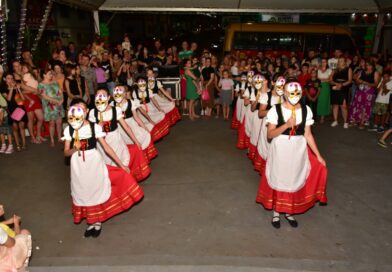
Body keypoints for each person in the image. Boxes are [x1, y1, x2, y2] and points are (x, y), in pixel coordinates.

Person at [63, 99, 144, 237]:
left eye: (82, 109)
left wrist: (121, 164)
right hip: (77, 165)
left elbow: (106, 148)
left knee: (96, 189)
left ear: (86, 112)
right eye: (76, 108)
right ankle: (92, 221)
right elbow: (66, 152)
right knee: (84, 191)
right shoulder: (69, 129)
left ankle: (96, 221)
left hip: (93, 162)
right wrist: (75, 150)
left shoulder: (95, 127)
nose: (79, 111)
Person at [256, 82, 327, 228]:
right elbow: (270, 134)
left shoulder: (306, 110)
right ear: (285, 94)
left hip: (298, 149)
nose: (294, 96)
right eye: (291, 93)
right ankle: (276, 211)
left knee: (294, 177)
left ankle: (289, 211)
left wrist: (318, 155)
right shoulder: (275, 110)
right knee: (279, 177)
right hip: (280, 148)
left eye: (297, 93)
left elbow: (308, 134)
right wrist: (286, 125)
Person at [89, 88, 151, 182]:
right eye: (98, 96)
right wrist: (98, 127)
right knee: (107, 166)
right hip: (101, 143)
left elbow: (126, 127)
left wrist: (135, 140)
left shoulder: (115, 110)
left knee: (120, 162)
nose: (100, 98)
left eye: (103, 95)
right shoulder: (93, 113)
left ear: (109, 98)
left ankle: (125, 182)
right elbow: (91, 133)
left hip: (115, 140)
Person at [112, 86, 158, 161]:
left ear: (125, 94)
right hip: (119, 126)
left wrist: (144, 127)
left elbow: (136, 117)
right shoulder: (112, 104)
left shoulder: (131, 102)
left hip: (131, 124)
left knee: (142, 137)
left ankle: (142, 158)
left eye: (121, 92)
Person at [349, 60, 380, 129]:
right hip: (360, 90)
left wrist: (364, 82)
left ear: (373, 66)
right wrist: (357, 81)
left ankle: (362, 122)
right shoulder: (362, 71)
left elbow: (375, 84)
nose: (368, 67)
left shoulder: (375, 73)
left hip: (368, 92)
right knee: (356, 105)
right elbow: (356, 82)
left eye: (370, 65)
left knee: (365, 107)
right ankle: (354, 120)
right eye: (367, 65)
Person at [0, 205, 32, 271]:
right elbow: (14, 241)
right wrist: (16, 224)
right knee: (24, 233)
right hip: (4, 262)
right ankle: (21, 265)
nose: (1, 205)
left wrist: (7, 222)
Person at [38, 70, 65, 147]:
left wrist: (62, 99)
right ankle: (52, 139)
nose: (51, 75)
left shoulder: (55, 82)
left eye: (52, 74)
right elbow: (44, 96)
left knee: (59, 123)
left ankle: (59, 137)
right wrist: (56, 100)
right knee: (52, 123)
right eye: (49, 74)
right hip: (49, 106)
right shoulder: (41, 85)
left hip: (59, 104)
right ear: (44, 75)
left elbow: (60, 91)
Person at [20, 63, 46, 144]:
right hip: (28, 98)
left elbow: (35, 88)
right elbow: (23, 89)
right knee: (30, 119)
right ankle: (33, 137)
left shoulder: (32, 76)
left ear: (29, 68)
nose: (23, 69)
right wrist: (34, 90)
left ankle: (38, 135)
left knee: (41, 118)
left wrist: (35, 91)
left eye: (25, 67)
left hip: (35, 97)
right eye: (23, 68)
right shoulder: (24, 76)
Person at [2, 73, 27, 151]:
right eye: (8, 78)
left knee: (22, 126)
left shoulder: (17, 86)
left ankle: (24, 144)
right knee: (15, 128)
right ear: (5, 79)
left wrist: (18, 89)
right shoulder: (3, 88)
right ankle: (18, 145)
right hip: (12, 109)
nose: (11, 79)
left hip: (20, 108)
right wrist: (12, 88)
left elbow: (23, 99)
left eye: (12, 78)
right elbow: (8, 99)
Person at [330, 57, 352, 128]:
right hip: (335, 88)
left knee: (344, 106)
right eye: (339, 61)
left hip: (344, 88)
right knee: (335, 105)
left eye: (341, 61)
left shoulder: (348, 69)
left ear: (345, 62)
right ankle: (335, 120)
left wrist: (341, 85)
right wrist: (336, 84)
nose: (340, 62)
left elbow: (349, 80)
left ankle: (345, 122)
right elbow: (330, 79)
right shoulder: (335, 70)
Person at [317, 58, 332, 123]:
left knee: (324, 101)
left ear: (327, 63)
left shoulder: (329, 70)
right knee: (318, 100)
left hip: (325, 87)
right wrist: (324, 79)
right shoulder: (318, 70)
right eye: (322, 62)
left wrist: (321, 79)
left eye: (324, 62)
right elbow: (316, 78)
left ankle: (322, 117)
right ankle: (317, 114)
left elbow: (330, 80)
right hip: (318, 86)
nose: (323, 63)